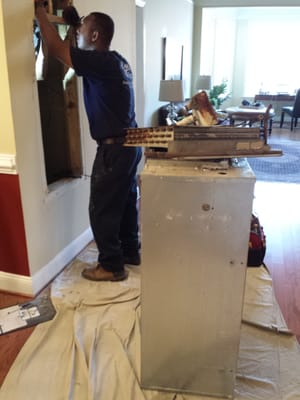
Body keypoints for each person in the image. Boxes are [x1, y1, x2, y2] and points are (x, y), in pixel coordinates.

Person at [34, 1, 142, 281]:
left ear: (95, 36)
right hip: (130, 144)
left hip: (114, 149)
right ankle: (130, 251)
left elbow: (58, 50)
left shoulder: (100, 62)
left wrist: (39, 15)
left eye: (82, 29)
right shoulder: (116, 61)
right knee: (126, 201)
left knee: (102, 207)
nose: (78, 33)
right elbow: (79, 51)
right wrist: (73, 26)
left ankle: (111, 265)